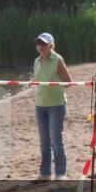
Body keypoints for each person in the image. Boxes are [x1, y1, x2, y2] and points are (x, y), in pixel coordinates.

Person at [31, 32, 72, 181]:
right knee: (44, 142)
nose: (40, 46)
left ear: (51, 46)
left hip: (56, 105)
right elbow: (36, 81)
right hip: (40, 105)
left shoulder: (57, 59)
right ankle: (45, 173)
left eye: (43, 44)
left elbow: (68, 82)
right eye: (38, 44)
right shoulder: (36, 61)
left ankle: (60, 172)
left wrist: (54, 86)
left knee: (56, 140)